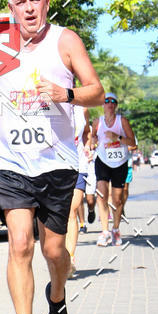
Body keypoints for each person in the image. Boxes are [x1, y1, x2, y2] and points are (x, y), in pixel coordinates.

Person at [0, 0, 104, 314]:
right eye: (21, 2)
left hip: (57, 165)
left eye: (35, 0)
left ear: (46, 3)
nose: (29, 8)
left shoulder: (65, 42)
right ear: (11, 8)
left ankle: (58, 297)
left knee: (54, 249)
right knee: (20, 243)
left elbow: (95, 90)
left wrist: (66, 93)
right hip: (11, 164)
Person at [91, 93, 136, 247]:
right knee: (101, 195)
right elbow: (92, 139)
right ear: (102, 105)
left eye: (113, 101)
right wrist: (93, 141)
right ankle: (104, 231)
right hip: (103, 160)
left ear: (116, 105)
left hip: (120, 162)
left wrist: (118, 138)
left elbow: (133, 143)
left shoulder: (122, 121)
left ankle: (116, 229)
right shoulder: (97, 122)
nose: (109, 104)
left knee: (117, 199)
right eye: (106, 101)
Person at [65, 106, 97, 278]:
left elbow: (87, 132)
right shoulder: (47, 106)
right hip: (55, 166)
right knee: (58, 214)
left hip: (78, 165)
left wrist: (87, 147)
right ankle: (58, 256)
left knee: (72, 210)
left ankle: (69, 259)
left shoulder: (82, 109)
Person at [120, 146, 137, 219]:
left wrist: (127, 148)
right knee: (118, 189)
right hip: (116, 165)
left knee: (125, 189)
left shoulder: (130, 134)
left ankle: (121, 207)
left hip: (128, 166)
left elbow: (135, 146)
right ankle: (119, 208)